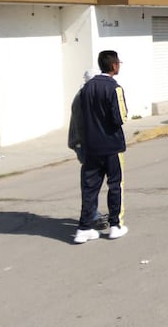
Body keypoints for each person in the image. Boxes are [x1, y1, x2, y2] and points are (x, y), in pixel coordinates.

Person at [74, 50, 128, 244]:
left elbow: (80, 117)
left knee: (90, 188)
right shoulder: (115, 88)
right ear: (113, 65)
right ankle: (115, 225)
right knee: (115, 185)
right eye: (118, 63)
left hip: (91, 147)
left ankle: (84, 228)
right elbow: (121, 117)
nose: (119, 65)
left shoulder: (86, 88)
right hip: (112, 146)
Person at [68, 67, 109, 232]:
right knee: (90, 182)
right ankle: (91, 217)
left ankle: (92, 214)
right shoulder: (82, 98)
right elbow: (80, 126)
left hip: (89, 144)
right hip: (84, 145)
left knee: (93, 181)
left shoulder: (87, 95)